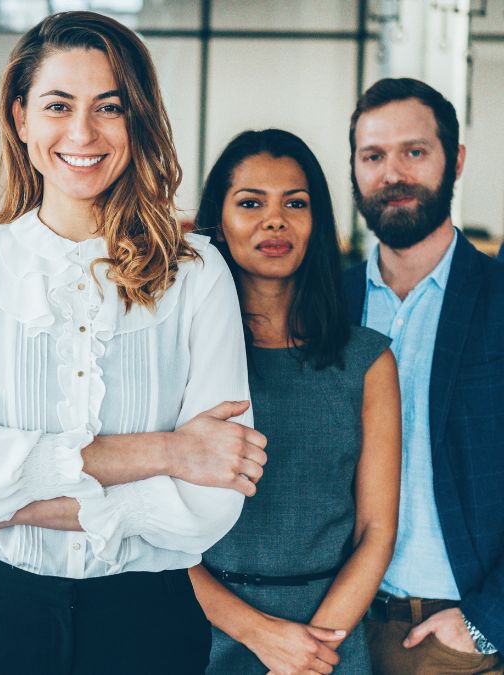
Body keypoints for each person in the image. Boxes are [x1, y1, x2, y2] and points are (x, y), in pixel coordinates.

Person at [0, 11, 268, 674]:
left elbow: (210, 503)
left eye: (110, 107)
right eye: (58, 105)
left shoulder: (197, 273)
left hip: (149, 619)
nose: (83, 132)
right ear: (21, 119)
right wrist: (168, 451)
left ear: (137, 120)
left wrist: (10, 505)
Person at [189, 128, 401, 675]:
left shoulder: (368, 362)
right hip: (200, 630)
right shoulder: (179, 354)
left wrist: (312, 651)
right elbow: (146, 528)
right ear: (219, 219)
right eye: (251, 202)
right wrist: (260, 635)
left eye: (296, 203)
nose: (275, 220)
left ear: (317, 222)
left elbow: (375, 530)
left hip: (328, 642)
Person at [344, 77, 504, 675]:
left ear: (454, 161)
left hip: (461, 636)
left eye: (414, 151)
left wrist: (488, 625)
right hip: (342, 632)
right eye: (374, 156)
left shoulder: (497, 300)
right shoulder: (328, 309)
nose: (393, 173)